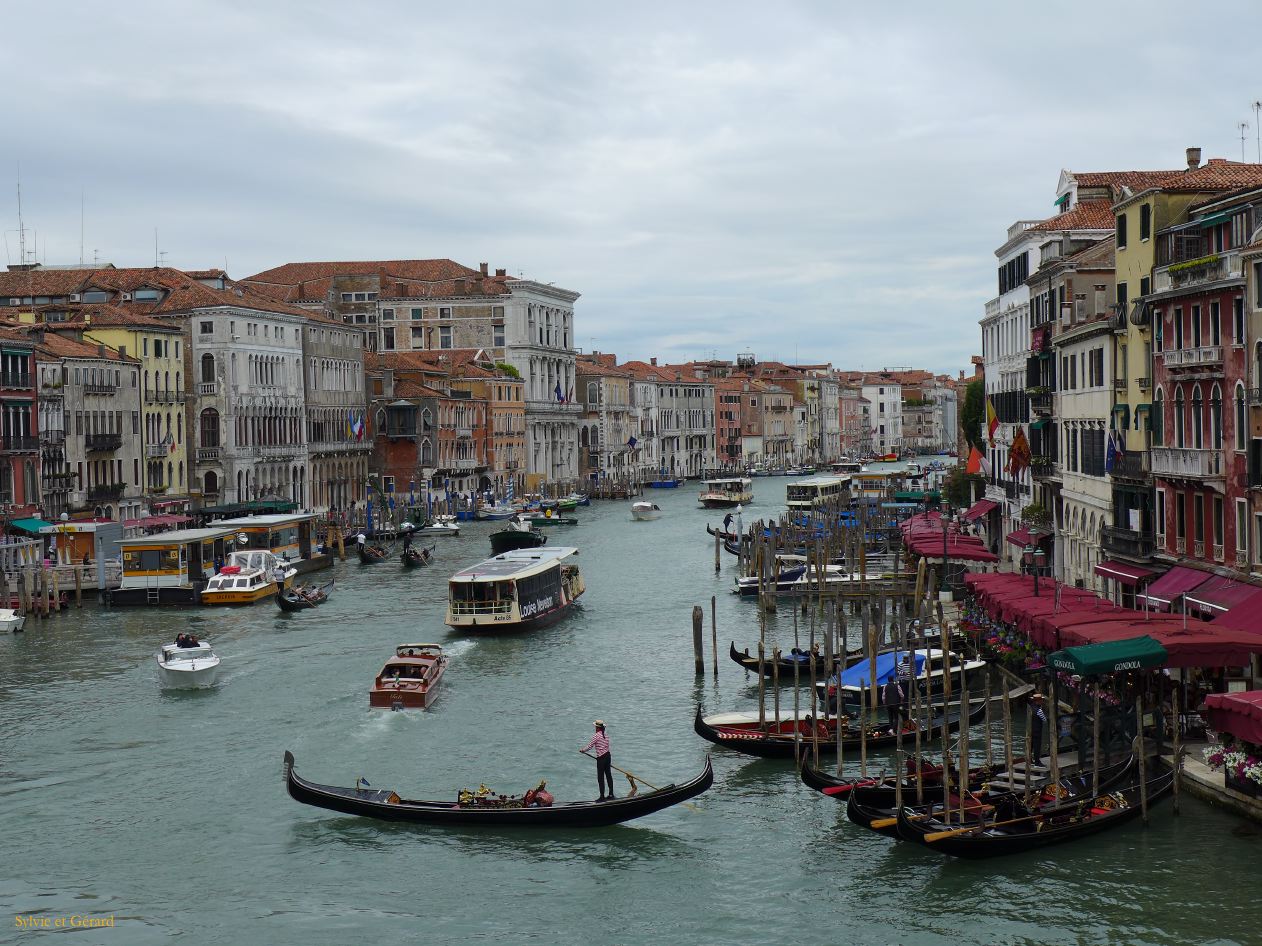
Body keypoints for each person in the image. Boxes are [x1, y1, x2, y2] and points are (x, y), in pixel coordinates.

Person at [580, 720, 615, 801]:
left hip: (601, 758)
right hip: (608, 756)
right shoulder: (606, 735)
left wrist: (583, 750)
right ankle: (611, 794)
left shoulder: (596, 736)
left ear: (597, 727)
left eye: (595, 727)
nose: (595, 728)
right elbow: (605, 746)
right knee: (608, 775)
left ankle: (602, 797)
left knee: (600, 777)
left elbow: (590, 746)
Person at [1030, 692, 1047, 762]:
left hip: (1030, 730)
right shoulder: (1039, 710)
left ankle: (1030, 760)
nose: (1042, 701)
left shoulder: (1031, 708)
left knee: (1031, 745)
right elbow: (1044, 719)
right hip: (1037, 730)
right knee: (1037, 746)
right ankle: (1037, 761)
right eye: (1041, 700)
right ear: (1038, 701)